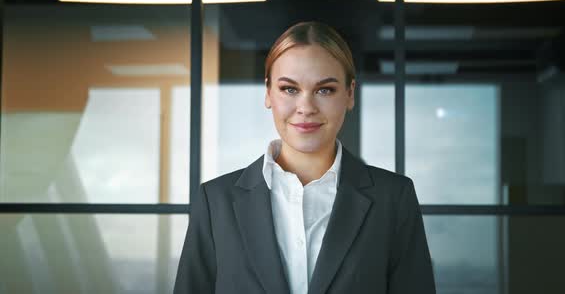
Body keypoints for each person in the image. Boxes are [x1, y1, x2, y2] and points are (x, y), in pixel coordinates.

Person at [174, 21, 436, 294]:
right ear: (268, 93)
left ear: (349, 93)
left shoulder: (393, 199)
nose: (306, 107)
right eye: (289, 89)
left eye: (325, 90)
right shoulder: (216, 202)